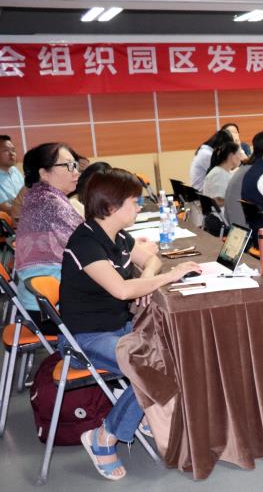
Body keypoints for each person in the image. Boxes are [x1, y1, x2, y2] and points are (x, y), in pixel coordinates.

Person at [59, 168, 199, 481]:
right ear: (111, 207)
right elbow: (122, 290)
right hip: (85, 338)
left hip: (118, 328)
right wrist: (168, 277)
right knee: (146, 369)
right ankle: (104, 437)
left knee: (173, 355)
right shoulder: (85, 243)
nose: (138, 207)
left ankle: (141, 411)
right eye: (134, 202)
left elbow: (152, 259)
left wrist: (147, 279)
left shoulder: (118, 236)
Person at [15, 143, 83, 329]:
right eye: (68, 165)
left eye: (75, 165)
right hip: (49, 311)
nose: (76, 172)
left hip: (37, 304)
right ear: (44, 173)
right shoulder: (50, 203)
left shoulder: (39, 197)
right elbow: (90, 243)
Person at [203, 141, 242, 209]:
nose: (241, 158)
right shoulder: (219, 174)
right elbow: (216, 201)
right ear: (231, 156)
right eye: (239, 154)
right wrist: (237, 201)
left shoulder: (221, 172)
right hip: (219, 215)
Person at [0, 135, 23, 213]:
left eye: (13, 150)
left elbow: (27, 194)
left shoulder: (14, 170)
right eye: (6, 150)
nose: (12, 153)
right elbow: (5, 207)